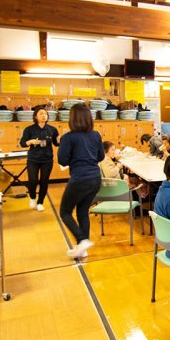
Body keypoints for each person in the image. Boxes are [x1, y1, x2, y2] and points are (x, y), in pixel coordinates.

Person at [57, 103, 104, 259]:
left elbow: (62, 160)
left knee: (65, 212)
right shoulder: (95, 135)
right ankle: (82, 248)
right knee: (82, 211)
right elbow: (101, 156)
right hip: (95, 178)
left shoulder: (68, 138)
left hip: (79, 179)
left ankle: (82, 240)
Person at [19, 107, 59, 211]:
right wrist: (30, 141)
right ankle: (32, 197)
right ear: (36, 116)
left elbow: (56, 143)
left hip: (47, 159)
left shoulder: (52, 129)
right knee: (33, 180)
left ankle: (40, 202)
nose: (44, 116)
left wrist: (60, 140)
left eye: (45, 114)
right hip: (33, 159)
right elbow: (22, 143)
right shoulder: (29, 129)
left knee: (44, 181)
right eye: (41, 114)